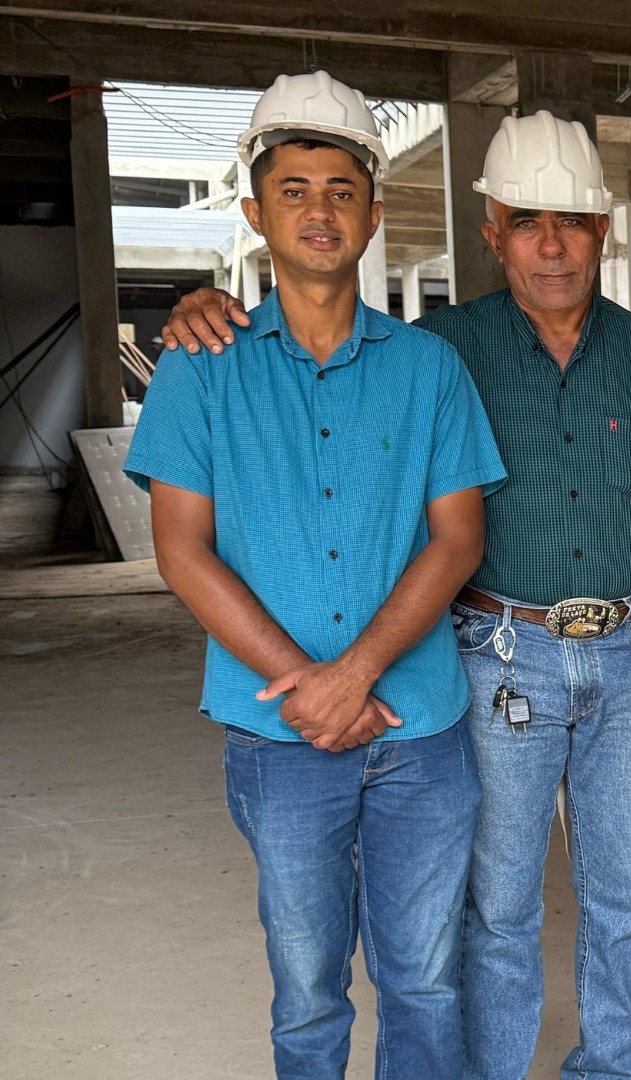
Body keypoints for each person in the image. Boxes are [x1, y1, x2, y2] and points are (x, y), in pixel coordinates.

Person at [162, 109, 631, 1080]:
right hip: (501, 652)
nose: (551, 241)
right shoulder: (439, 350)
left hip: (629, 653)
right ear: (490, 232)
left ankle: (611, 1067)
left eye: (572, 220)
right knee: (495, 905)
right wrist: (203, 300)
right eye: (527, 219)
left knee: (625, 897)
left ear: (603, 232)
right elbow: (316, 319)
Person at [125, 71, 505, 1079]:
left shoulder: (430, 370)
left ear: (375, 214)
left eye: (341, 189)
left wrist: (355, 676)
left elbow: (458, 539)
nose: (319, 210)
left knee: (424, 980)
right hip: (276, 737)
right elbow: (180, 550)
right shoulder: (201, 368)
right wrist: (308, 685)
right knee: (306, 991)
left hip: (417, 728)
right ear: (254, 213)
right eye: (293, 189)